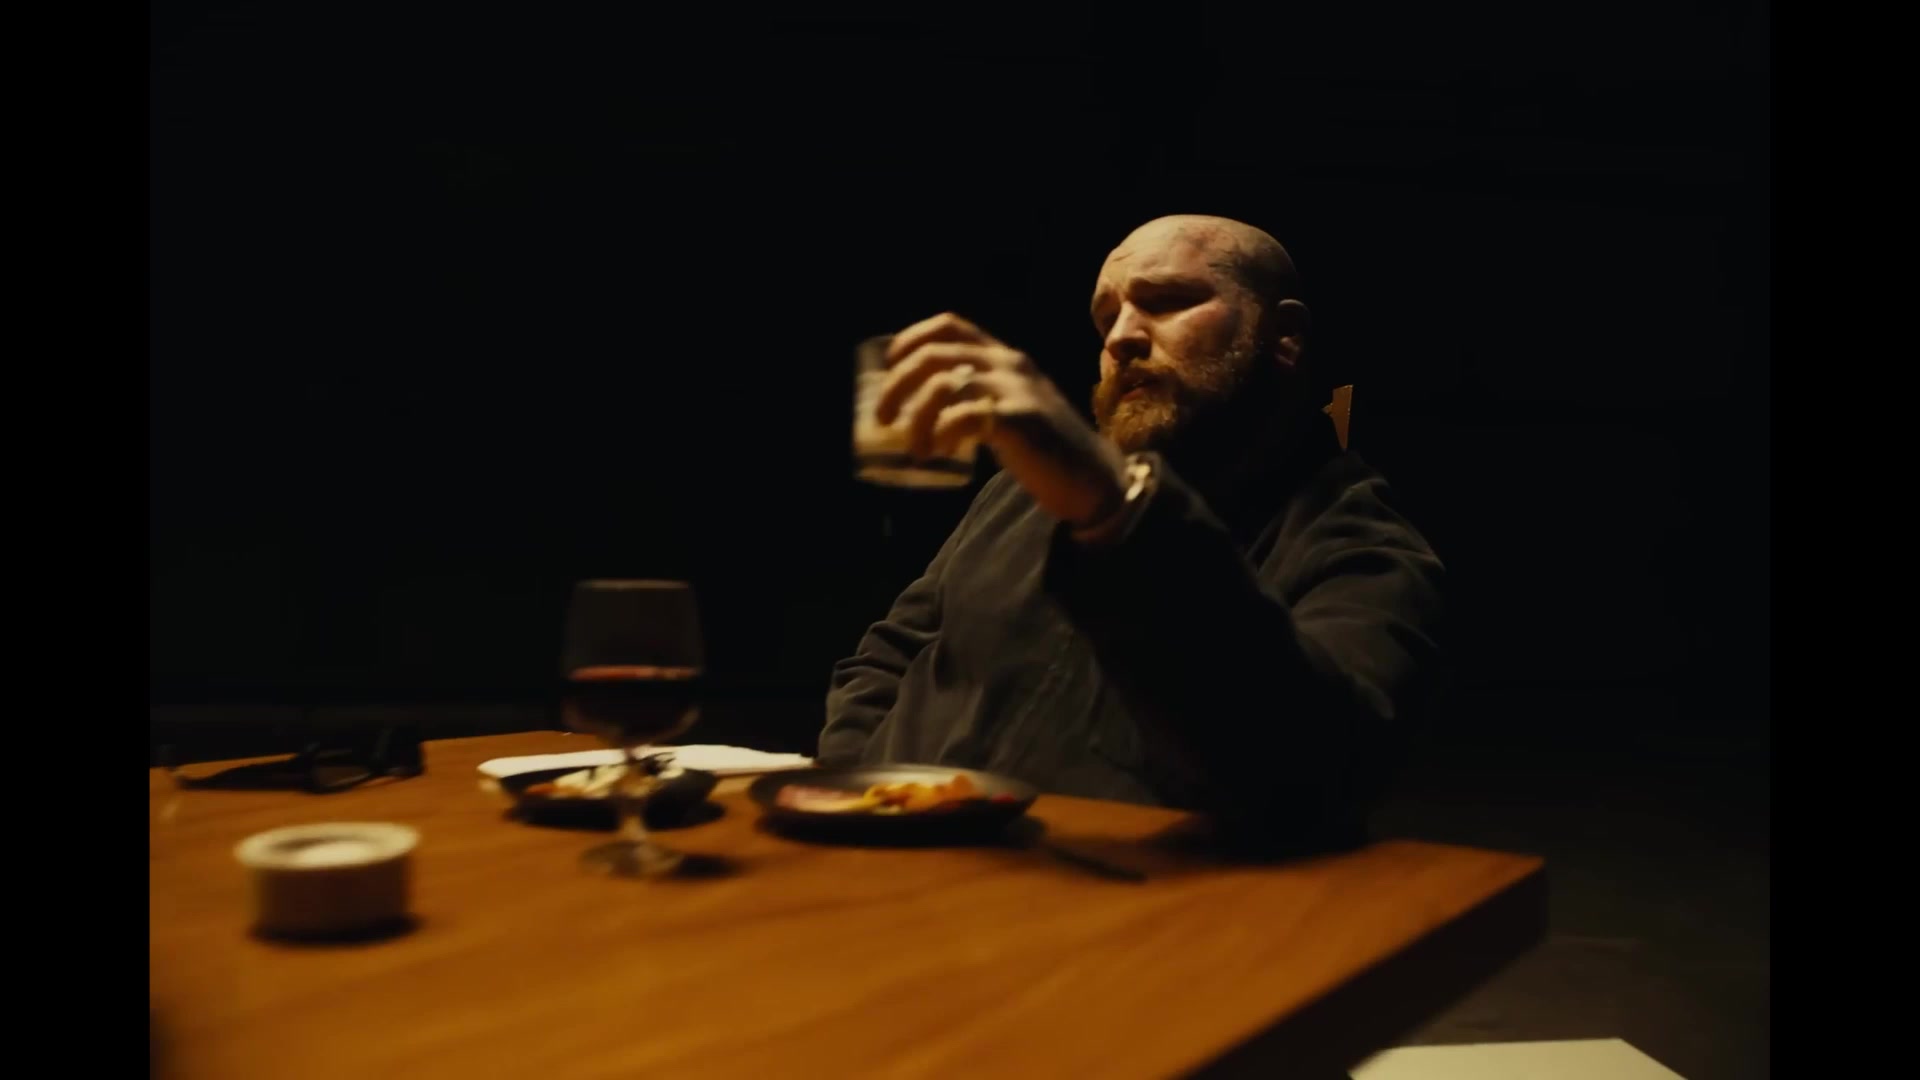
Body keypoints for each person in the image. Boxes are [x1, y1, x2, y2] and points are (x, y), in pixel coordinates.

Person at [820, 214, 1445, 845]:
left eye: (1166, 301)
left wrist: (1118, 508)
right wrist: (854, 790)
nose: (1121, 336)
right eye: (1105, 318)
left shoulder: (1364, 548)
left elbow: (1316, 775)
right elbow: (889, 655)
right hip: (894, 861)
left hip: (1120, 896)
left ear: (1284, 335)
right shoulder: (1021, 491)